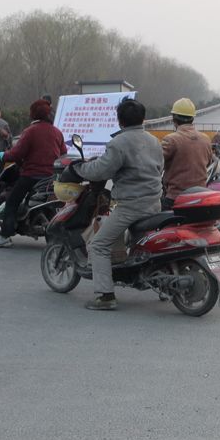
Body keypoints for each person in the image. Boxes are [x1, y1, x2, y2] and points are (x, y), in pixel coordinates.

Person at [70, 98, 163, 310]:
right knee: (140, 245)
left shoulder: (118, 143)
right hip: (155, 203)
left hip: (131, 207)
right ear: (143, 118)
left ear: (119, 121)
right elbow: (159, 169)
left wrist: (78, 169)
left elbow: (101, 171)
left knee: (99, 245)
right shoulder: (154, 141)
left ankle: (105, 296)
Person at [0, 100, 66, 248]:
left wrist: (3, 156)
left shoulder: (30, 131)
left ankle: (5, 236)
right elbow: (63, 153)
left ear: (33, 113)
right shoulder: (57, 132)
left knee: (12, 201)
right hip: (51, 178)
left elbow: (17, 153)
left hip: (31, 175)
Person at [160, 98, 213, 210]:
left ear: (174, 119)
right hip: (200, 197)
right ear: (192, 118)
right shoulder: (205, 139)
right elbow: (209, 162)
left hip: (175, 198)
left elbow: (155, 163)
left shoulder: (171, 140)